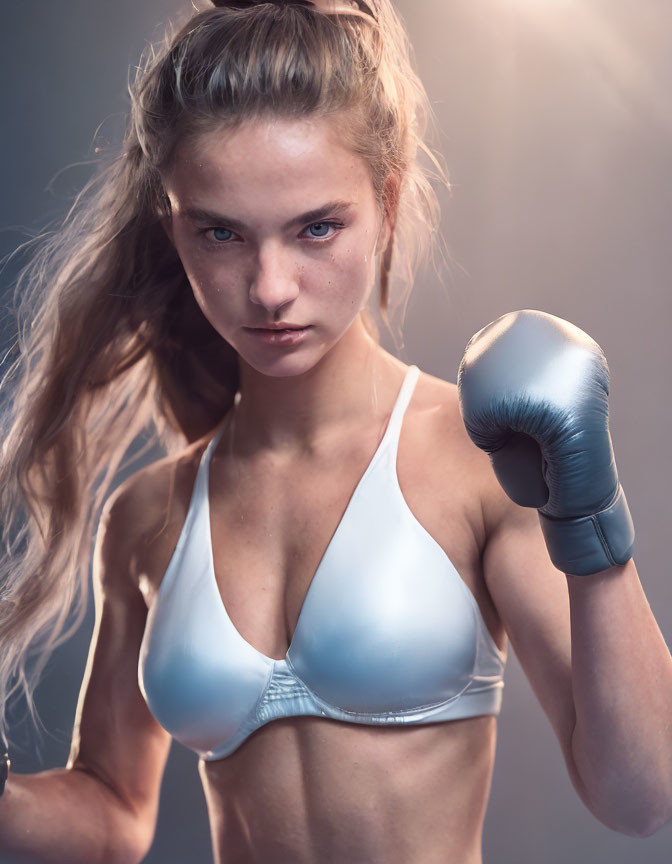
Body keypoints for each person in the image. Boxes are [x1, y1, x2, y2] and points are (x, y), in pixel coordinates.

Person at [0, 1, 670, 862]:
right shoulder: (147, 517)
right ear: (176, 228)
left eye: (317, 227)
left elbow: (641, 796)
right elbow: (112, 814)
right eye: (222, 233)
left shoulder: (476, 465)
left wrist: (591, 514)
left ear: (386, 202)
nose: (270, 287)